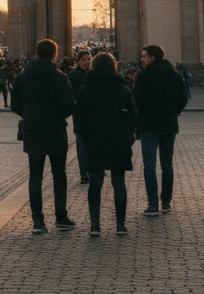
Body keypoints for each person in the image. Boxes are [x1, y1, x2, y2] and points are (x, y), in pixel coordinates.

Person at [11, 39, 77, 234]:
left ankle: (38, 221)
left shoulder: (22, 77)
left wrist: (29, 114)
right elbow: (67, 108)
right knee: (59, 175)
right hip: (55, 130)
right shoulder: (60, 78)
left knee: (35, 177)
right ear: (54, 55)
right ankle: (61, 216)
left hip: (32, 130)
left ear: (37, 53)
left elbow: (15, 106)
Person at [74, 52, 139, 237]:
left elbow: (78, 119)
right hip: (118, 140)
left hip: (95, 140)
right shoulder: (123, 89)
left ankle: (95, 225)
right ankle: (120, 225)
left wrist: (85, 135)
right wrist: (128, 133)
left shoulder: (86, 89)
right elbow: (134, 116)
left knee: (95, 183)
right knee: (118, 182)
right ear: (113, 67)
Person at [133, 44, 188, 216]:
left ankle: (153, 204)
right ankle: (166, 202)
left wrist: (139, 120)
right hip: (169, 126)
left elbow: (136, 101)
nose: (141, 60)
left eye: (144, 56)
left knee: (149, 165)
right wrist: (173, 112)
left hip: (149, 127)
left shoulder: (143, 76)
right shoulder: (175, 75)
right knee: (167, 165)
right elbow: (183, 99)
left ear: (152, 58)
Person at [67, 51, 92, 184]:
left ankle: (92, 169)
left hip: (92, 114)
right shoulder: (73, 75)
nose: (87, 62)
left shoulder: (93, 75)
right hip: (79, 115)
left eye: (89, 59)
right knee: (81, 143)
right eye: (84, 60)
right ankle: (84, 172)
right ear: (78, 61)